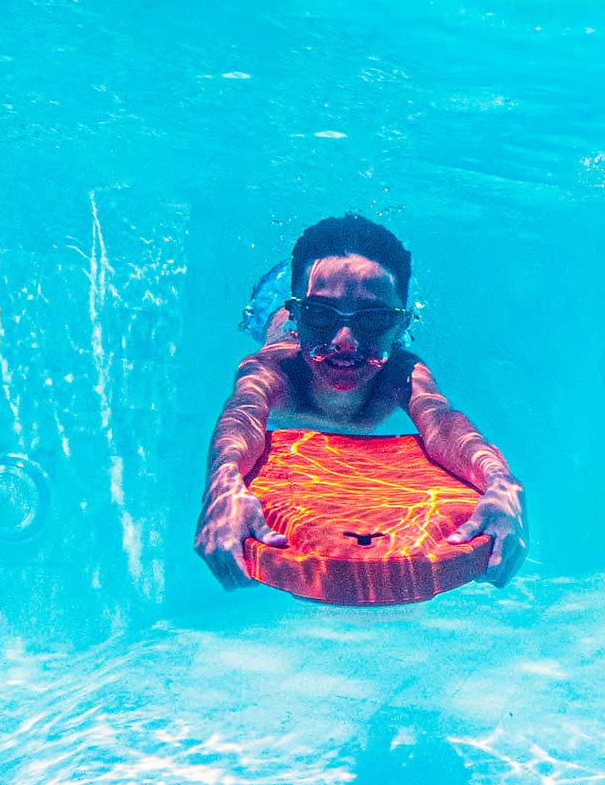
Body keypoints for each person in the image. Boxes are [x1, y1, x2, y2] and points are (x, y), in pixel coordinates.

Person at [196, 214, 525, 590]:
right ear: (297, 316)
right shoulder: (276, 368)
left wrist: (502, 484)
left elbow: (441, 420)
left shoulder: (399, 375)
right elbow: (242, 413)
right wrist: (222, 486)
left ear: (401, 325)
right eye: (319, 314)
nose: (344, 341)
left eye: (374, 320)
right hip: (272, 299)